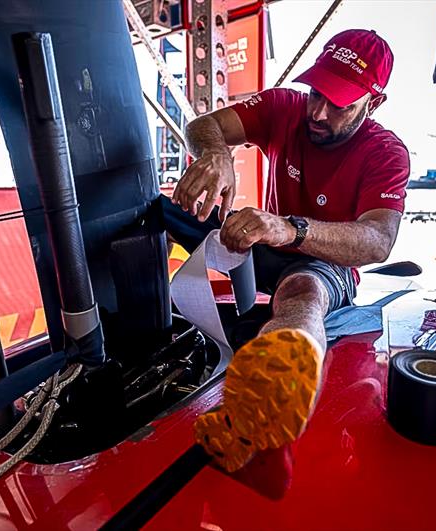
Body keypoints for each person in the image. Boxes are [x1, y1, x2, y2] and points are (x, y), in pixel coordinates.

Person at [162, 29, 410, 472]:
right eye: (316, 92)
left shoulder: (386, 153)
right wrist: (215, 155)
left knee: (303, 292)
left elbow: (378, 241)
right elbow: (204, 126)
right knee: (159, 211)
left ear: (375, 102)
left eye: (339, 103)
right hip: (261, 239)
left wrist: (290, 229)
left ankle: (260, 411)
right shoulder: (285, 107)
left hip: (322, 261)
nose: (317, 111)